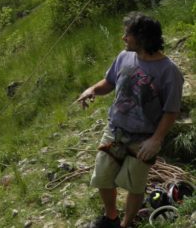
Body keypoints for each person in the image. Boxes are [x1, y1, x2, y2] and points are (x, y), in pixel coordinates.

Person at [76, 12, 184, 228]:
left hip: (143, 140)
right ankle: (111, 216)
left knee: (135, 185)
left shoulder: (169, 72)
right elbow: (109, 82)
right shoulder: (124, 57)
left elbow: (171, 112)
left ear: (142, 38)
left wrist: (156, 140)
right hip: (115, 131)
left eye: (128, 34)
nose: (123, 38)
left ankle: (126, 223)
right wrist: (92, 90)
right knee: (103, 178)